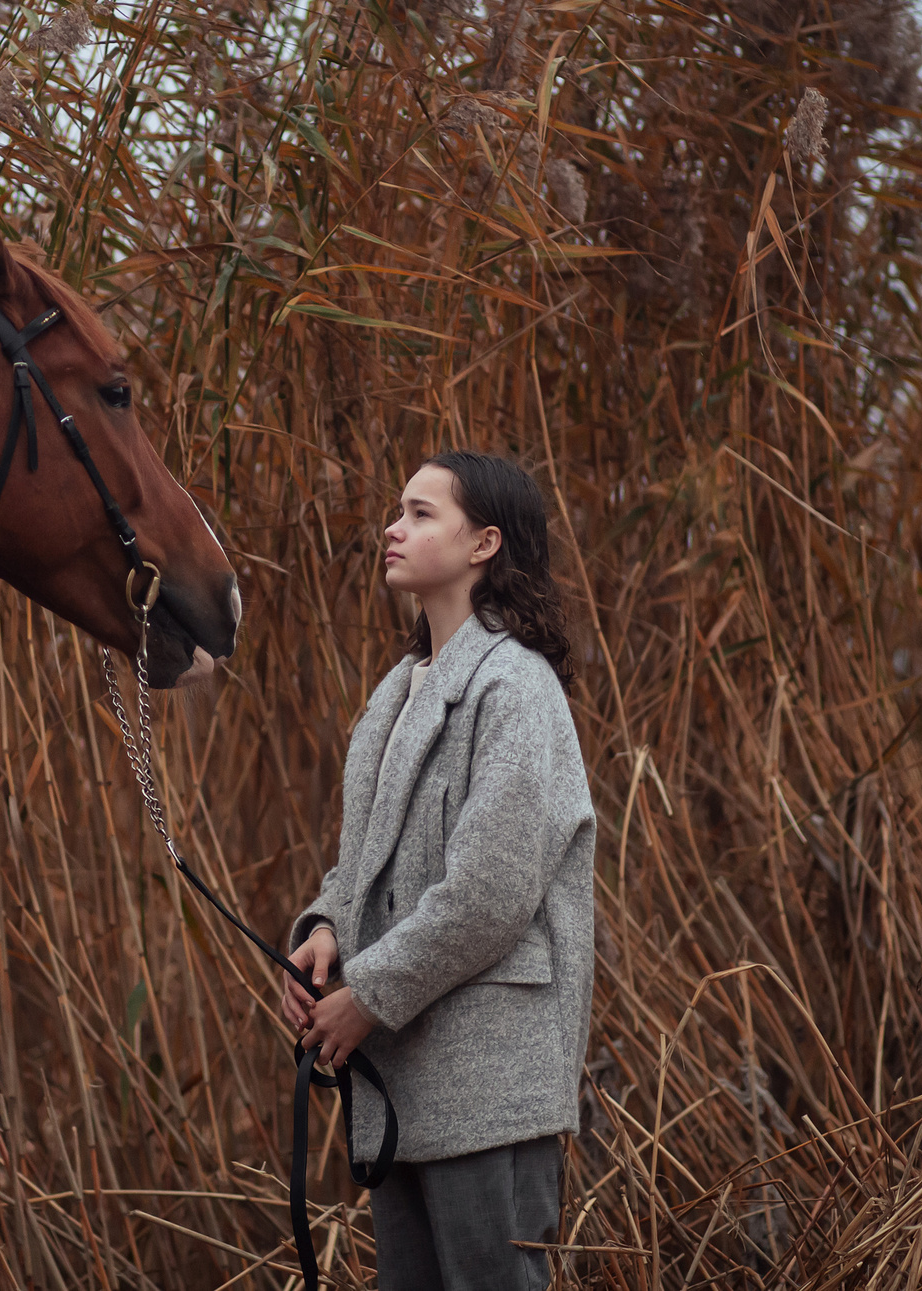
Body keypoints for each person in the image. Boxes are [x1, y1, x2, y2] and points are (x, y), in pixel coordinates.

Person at [283, 450, 596, 1291]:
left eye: (422, 513)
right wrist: (325, 930)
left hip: (490, 1089)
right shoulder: (397, 693)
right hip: (405, 1085)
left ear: (483, 543)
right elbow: (367, 865)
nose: (394, 527)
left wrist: (367, 996)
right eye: (400, 509)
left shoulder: (517, 687)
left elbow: (490, 893)